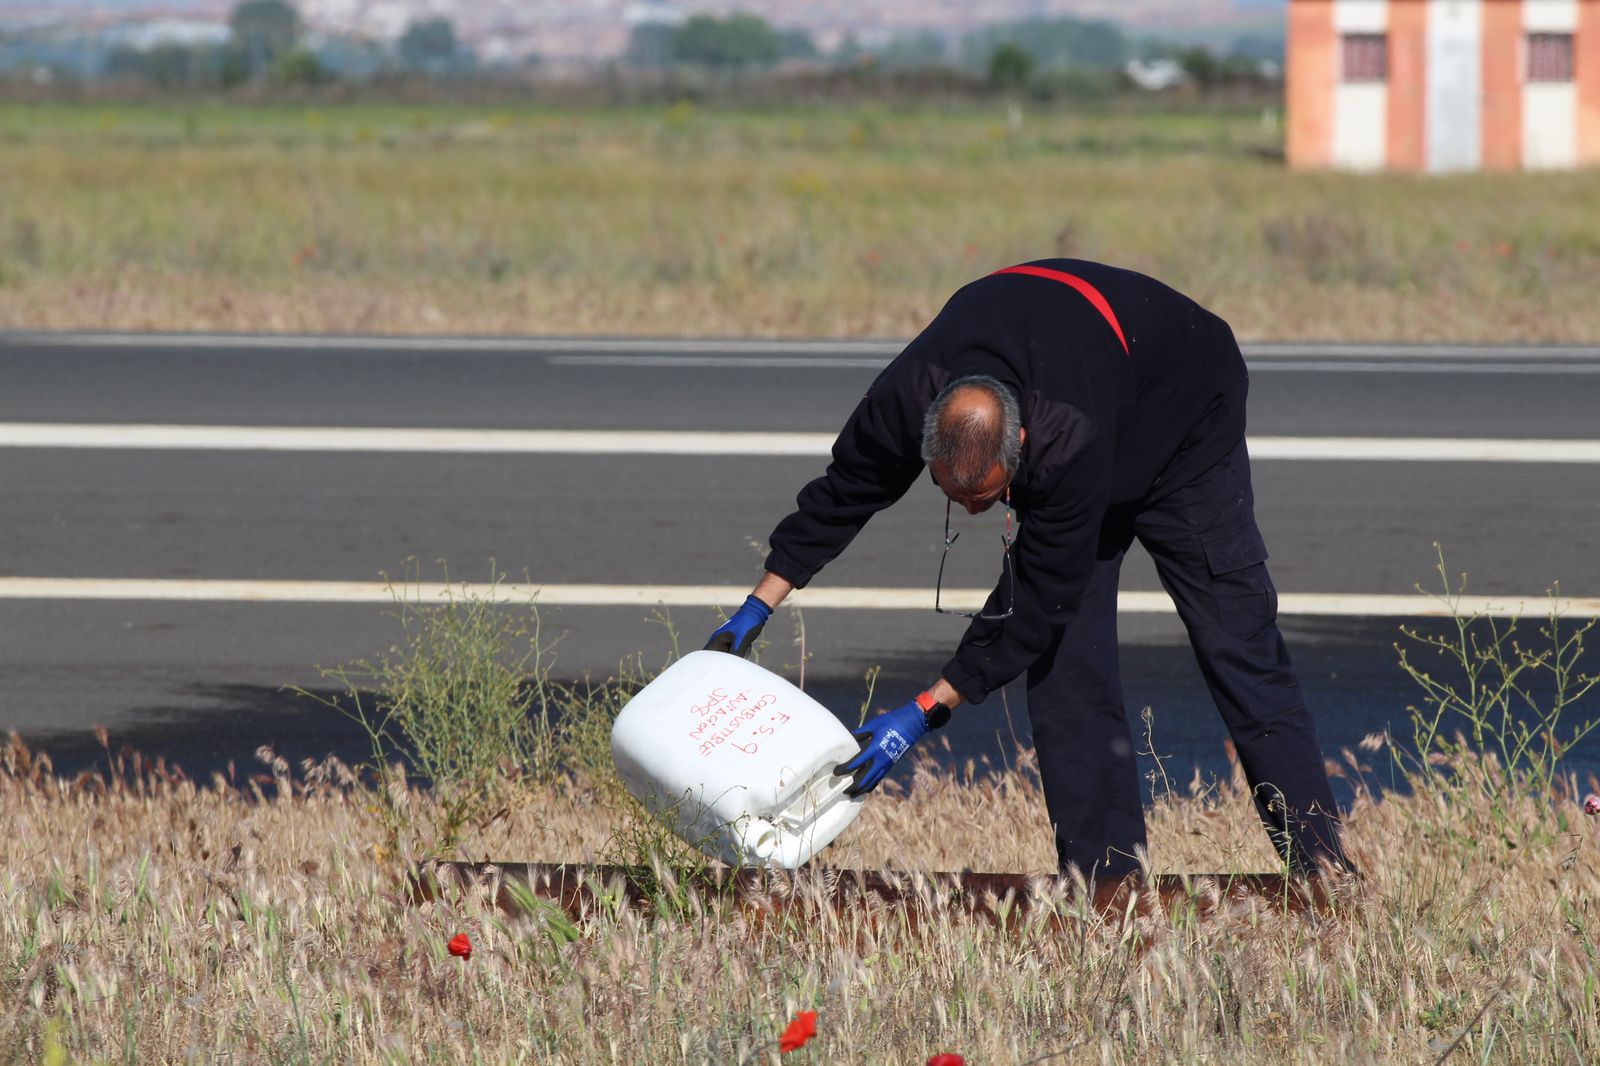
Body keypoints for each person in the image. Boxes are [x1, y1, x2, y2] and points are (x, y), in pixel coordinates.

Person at [706, 259, 1350, 882]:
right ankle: (1105, 883)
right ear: (927, 435)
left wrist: (925, 710)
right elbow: (846, 490)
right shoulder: (907, 395)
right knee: (1067, 666)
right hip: (1090, 372)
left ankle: (1323, 869)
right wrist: (757, 607)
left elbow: (1038, 600)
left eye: (987, 497)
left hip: (1184, 409)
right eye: (955, 496)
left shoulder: (1068, 436)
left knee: (1236, 640)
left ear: (1018, 444)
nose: (974, 511)